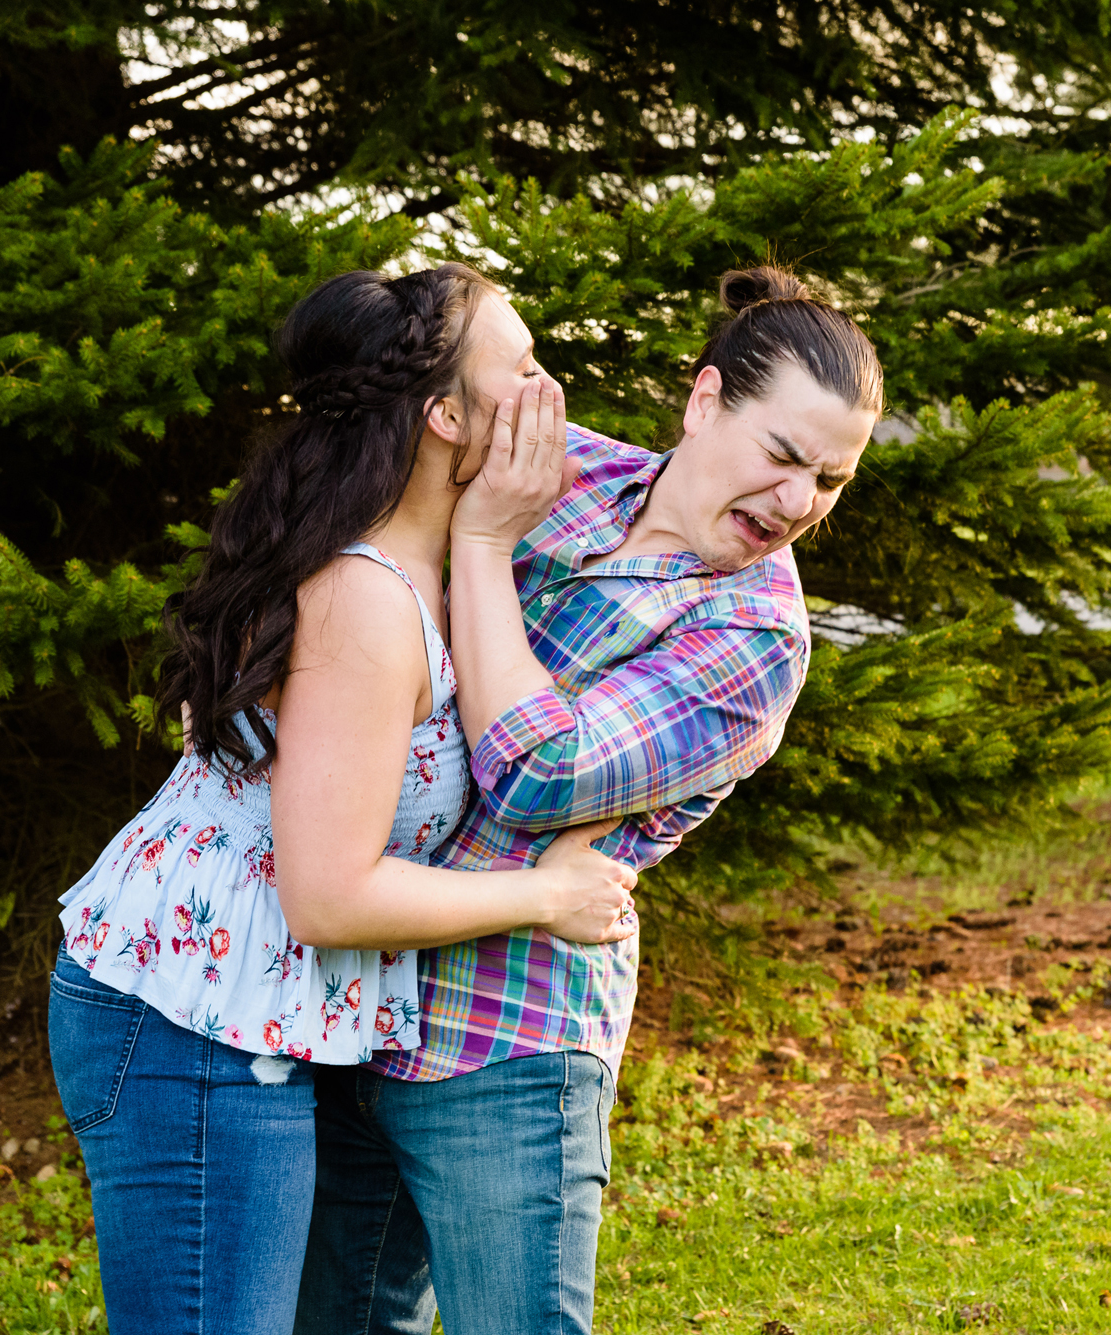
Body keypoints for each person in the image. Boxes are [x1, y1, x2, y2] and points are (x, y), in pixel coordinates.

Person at [45, 262, 641, 1335]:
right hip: (189, 1024)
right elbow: (328, 896)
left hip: (246, 1019)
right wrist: (542, 896)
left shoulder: (435, 569)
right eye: (528, 370)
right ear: (446, 418)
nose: (554, 397)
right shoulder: (365, 598)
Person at [296, 266, 885, 1334]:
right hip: (355, 996)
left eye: (831, 482)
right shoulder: (559, 473)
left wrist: (480, 544)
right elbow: (374, 542)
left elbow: (536, 774)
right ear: (705, 401)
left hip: (506, 1037)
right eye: (784, 457)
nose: (800, 503)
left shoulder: (754, 639)